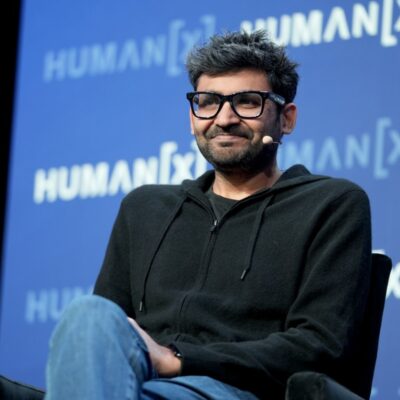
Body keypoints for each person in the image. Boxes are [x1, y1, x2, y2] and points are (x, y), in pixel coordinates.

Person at [44, 30, 371, 400]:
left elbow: (319, 346)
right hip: (136, 387)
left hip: (239, 391)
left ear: (287, 118)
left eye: (247, 102)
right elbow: (111, 335)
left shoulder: (331, 204)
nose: (224, 118)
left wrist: (180, 359)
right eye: (208, 102)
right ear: (192, 117)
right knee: (89, 315)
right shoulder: (144, 208)